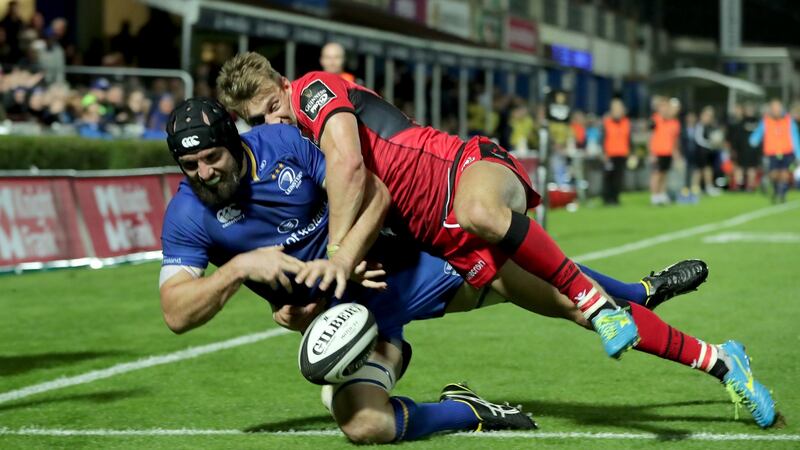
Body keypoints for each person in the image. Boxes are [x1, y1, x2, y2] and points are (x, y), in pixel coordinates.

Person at [159, 99, 777, 443]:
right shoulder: (188, 215)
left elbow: (372, 191)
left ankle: (718, 359)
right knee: (366, 425)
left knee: (575, 305)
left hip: (421, 264)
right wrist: (240, 270)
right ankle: (473, 411)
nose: (205, 174)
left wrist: (341, 259)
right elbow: (176, 314)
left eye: (213, 158)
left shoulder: (285, 147)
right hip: (359, 319)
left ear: (235, 142)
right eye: (191, 167)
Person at [217, 53, 644, 360]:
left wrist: (338, 254)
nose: (272, 121)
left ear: (284, 84)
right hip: (410, 230)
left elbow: (350, 166)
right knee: (518, 284)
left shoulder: (312, 90)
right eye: (258, 120)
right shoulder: (294, 143)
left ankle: (630, 298)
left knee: (517, 279)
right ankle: (631, 299)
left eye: (273, 106)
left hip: (440, 190)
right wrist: (294, 300)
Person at [749, 98, 799, 203]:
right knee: (774, 174)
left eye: (777, 108)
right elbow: (759, 133)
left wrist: (798, 153)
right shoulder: (766, 121)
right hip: (771, 152)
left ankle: (782, 194)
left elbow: (794, 136)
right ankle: (775, 189)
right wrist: (754, 140)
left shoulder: (789, 120)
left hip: (787, 151)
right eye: (773, 108)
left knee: (784, 174)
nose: (776, 110)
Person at [648, 98, 681, 205]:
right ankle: (654, 196)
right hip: (657, 152)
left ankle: (661, 194)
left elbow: (675, 140)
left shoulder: (675, 123)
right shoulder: (655, 119)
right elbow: (650, 136)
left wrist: (676, 153)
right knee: (656, 174)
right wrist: (651, 153)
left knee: (664, 174)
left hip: (668, 152)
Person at [601, 98, 630, 206]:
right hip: (609, 154)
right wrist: (603, 152)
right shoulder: (607, 122)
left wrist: (631, 152)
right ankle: (607, 198)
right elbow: (603, 138)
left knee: (619, 178)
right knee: (608, 177)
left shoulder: (626, 122)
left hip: (622, 153)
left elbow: (629, 138)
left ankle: (615, 198)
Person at [693, 106, 722, 197]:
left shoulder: (711, 126)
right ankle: (695, 188)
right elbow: (699, 139)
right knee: (699, 170)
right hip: (700, 151)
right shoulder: (699, 125)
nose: (709, 117)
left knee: (708, 169)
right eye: (707, 115)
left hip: (708, 152)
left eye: (710, 116)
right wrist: (710, 144)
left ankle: (708, 187)